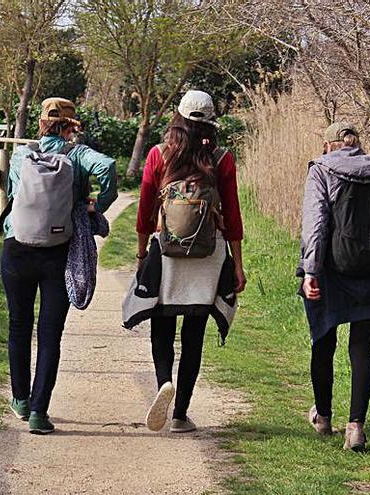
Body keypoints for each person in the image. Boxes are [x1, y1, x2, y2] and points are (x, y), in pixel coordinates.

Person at [128, 90, 246, 433]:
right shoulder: (221, 158)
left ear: (178, 117)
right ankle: (180, 414)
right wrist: (237, 263)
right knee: (194, 331)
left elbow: (145, 210)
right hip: (208, 254)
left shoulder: (158, 154)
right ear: (211, 119)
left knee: (162, 322)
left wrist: (141, 253)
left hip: (168, 250)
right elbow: (234, 216)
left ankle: (164, 380)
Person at [2, 97, 117, 434]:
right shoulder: (77, 155)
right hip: (58, 251)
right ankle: (39, 412)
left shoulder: (22, 155)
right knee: (50, 333)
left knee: (18, 325)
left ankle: (20, 399)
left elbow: (12, 193)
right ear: (71, 127)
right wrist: (99, 203)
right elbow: (108, 166)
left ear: (41, 123)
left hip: (17, 247)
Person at [299, 122, 370, 452]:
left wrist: (310, 270)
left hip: (331, 270)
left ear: (329, 145)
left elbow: (315, 224)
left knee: (323, 339)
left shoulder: (320, 171)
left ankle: (324, 417)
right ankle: (356, 427)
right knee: (362, 347)